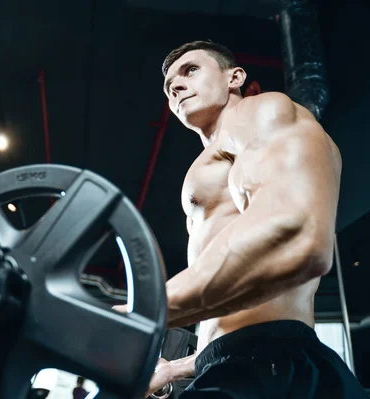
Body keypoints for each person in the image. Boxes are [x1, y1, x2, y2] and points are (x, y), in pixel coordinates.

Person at [124, 40, 368, 398]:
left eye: (191, 70)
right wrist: (173, 368)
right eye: (168, 85)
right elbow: (240, 324)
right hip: (237, 361)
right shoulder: (217, 161)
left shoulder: (260, 111)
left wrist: (141, 312)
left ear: (234, 77)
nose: (175, 85)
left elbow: (294, 231)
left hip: (273, 362)